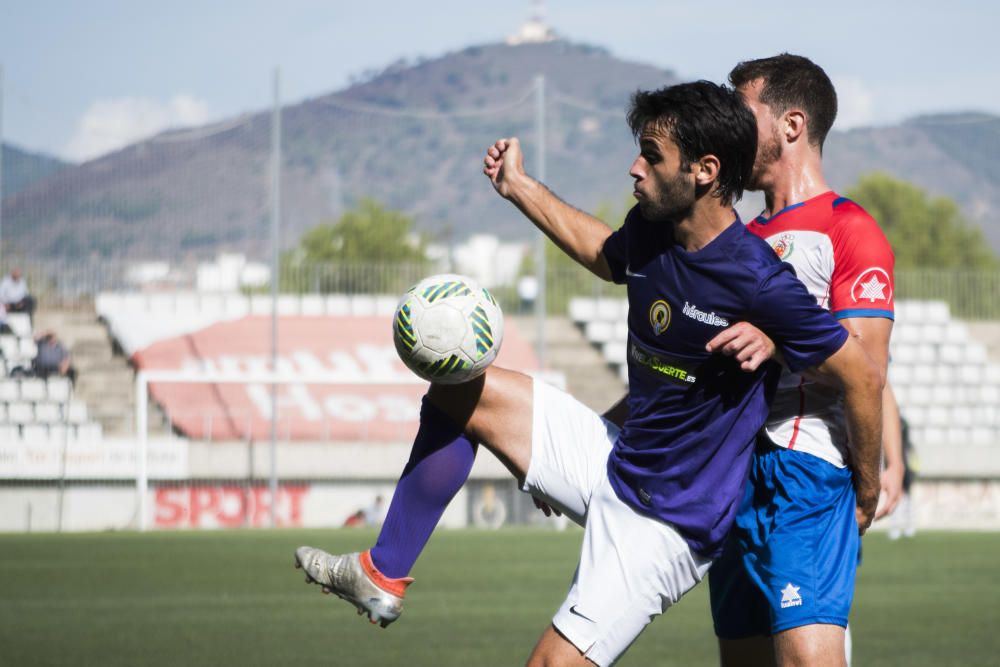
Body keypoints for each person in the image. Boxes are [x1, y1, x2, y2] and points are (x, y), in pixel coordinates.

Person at [293, 81, 883, 666]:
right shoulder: (654, 229)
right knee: (459, 389)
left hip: (664, 523)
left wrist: (868, 480)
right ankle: (382, 571)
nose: (635, 168)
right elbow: (605, 254)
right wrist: (518, 187)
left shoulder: (758, 280)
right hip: (613, 457)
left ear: (704, 171)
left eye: (652, 157)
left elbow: (859, 373)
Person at [703, 54, 897, 667]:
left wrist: (869, 483)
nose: (729, 131)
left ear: (791, 125)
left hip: (807, 471)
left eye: (742, 115)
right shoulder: (734, 239)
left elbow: (866, 371)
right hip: (734, 479)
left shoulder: (849, 228)